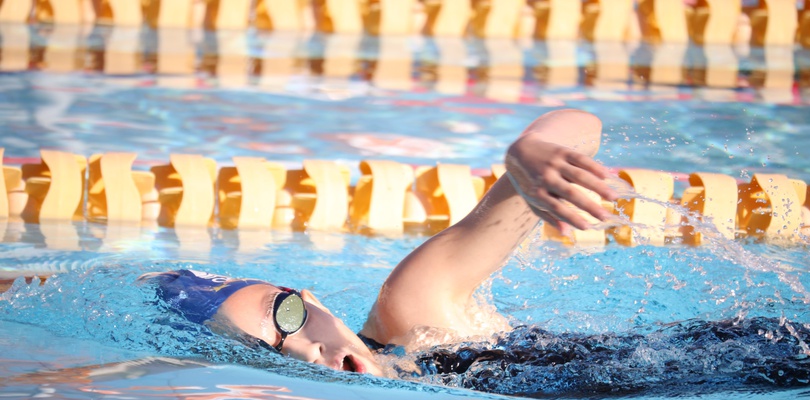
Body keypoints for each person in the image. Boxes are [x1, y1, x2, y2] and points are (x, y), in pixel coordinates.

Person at [144, 109, 619, 378]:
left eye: (285, 314)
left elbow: (583, 128)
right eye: (264, 353)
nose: (305, 350)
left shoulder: (416, 313)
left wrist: (524, 154)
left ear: (314, 302)